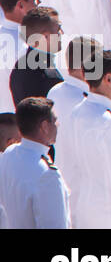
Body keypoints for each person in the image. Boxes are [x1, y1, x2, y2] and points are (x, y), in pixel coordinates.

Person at [0, 96, 69, 228]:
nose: (58, 124)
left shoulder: (9, 154)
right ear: (44, 126)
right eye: (54, 121)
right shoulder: (48, 175)